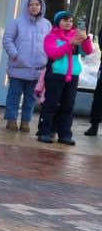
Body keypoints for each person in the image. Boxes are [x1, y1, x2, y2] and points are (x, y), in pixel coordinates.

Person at [37, 10, 93, 146]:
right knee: (51, 104)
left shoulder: (76, 36)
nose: (68, 23)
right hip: (55, 75)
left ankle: (65, 134)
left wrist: (85, 39)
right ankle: (45, 132)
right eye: (65, 20)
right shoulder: (51, 37)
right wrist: (69, 43)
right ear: (58, 22)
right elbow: (53, 54)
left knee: (68, 106)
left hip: (72, 76)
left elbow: (88, 51)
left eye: (71, 21)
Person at [1, 0, 51, 132]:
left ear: (41, 7)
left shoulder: (47, 24)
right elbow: (7, 39)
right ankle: (11, 120)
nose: (34, 7)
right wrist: (15, 54)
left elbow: (50, 43)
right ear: (27, 6)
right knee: (14, 95)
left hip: (37, 70)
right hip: (18, 67)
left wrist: (46, 58)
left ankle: (25, 121)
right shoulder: (16, 22)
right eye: (31, 4)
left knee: (31, 98)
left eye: (37, 4)